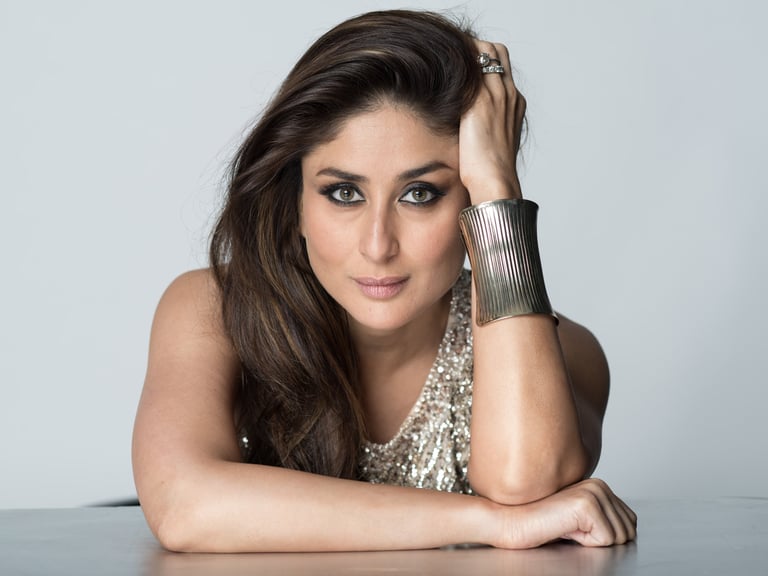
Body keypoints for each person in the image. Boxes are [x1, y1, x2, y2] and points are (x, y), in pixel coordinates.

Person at [132, 9, 637, 552]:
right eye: (344, 193)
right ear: (296, 204)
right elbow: (184, 506)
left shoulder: (566, 352)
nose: (378, 245)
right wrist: (490, 523)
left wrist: (498, 189)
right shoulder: (214, 309)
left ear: (469, 204)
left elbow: (527, 486)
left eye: (420, 194)